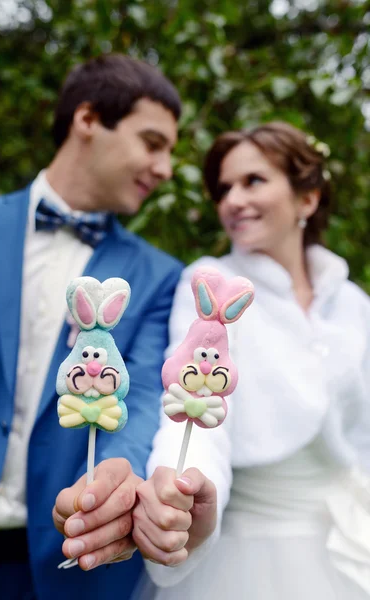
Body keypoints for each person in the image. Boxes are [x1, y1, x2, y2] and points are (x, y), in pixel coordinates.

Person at [0, 53, 184, 600]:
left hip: (70, 562)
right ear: (87, 120)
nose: (165, 168)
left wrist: (117, 472)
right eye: (153, 142)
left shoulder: (161, 278)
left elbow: (141, 400)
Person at [131, 121, 370, 599]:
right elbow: (195, 409)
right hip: (243, 556)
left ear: (307, 198)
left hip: (348, 544)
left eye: (253, 181)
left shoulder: (354, 303)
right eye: (224, 188)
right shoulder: (210, 286)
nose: (232, 200)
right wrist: (183, 488)